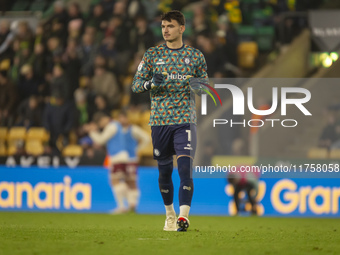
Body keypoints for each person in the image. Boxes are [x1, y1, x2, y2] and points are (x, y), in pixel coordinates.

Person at [132, 10, 208, 231]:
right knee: (164, 172)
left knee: (185, 168)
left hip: (185, 119)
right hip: (159, 121)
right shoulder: (152, 54)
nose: (165, 30)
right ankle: (170, 214)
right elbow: (136, 85)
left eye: (170, 26)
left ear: (182, 28)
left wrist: (198, 86)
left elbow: (206, 90)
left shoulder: (195, 56)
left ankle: (184, 217)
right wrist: (149, 84)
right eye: (163, 26)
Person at [84, 112, 129, 214]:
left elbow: (100, 140)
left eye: (100, 123)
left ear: (104, 119)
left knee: (115, 181)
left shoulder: (111, 126)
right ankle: (124, 205)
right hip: (120, 156)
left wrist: (92, 131)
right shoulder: (116, 124)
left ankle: (123, 206)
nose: (101, 126)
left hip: (117, 156)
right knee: (116, 181)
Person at [118, 110, 150, 212]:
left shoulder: (133, 129)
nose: (121, 120)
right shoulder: (118, 130)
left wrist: (137, 149)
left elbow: (146, 138)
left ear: (127, 118)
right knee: (124, 180)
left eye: (123, 117)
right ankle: (128, 204)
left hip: (131, 158)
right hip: (121, 159)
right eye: (120, 118)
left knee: (132, 181)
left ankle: (133, 204)